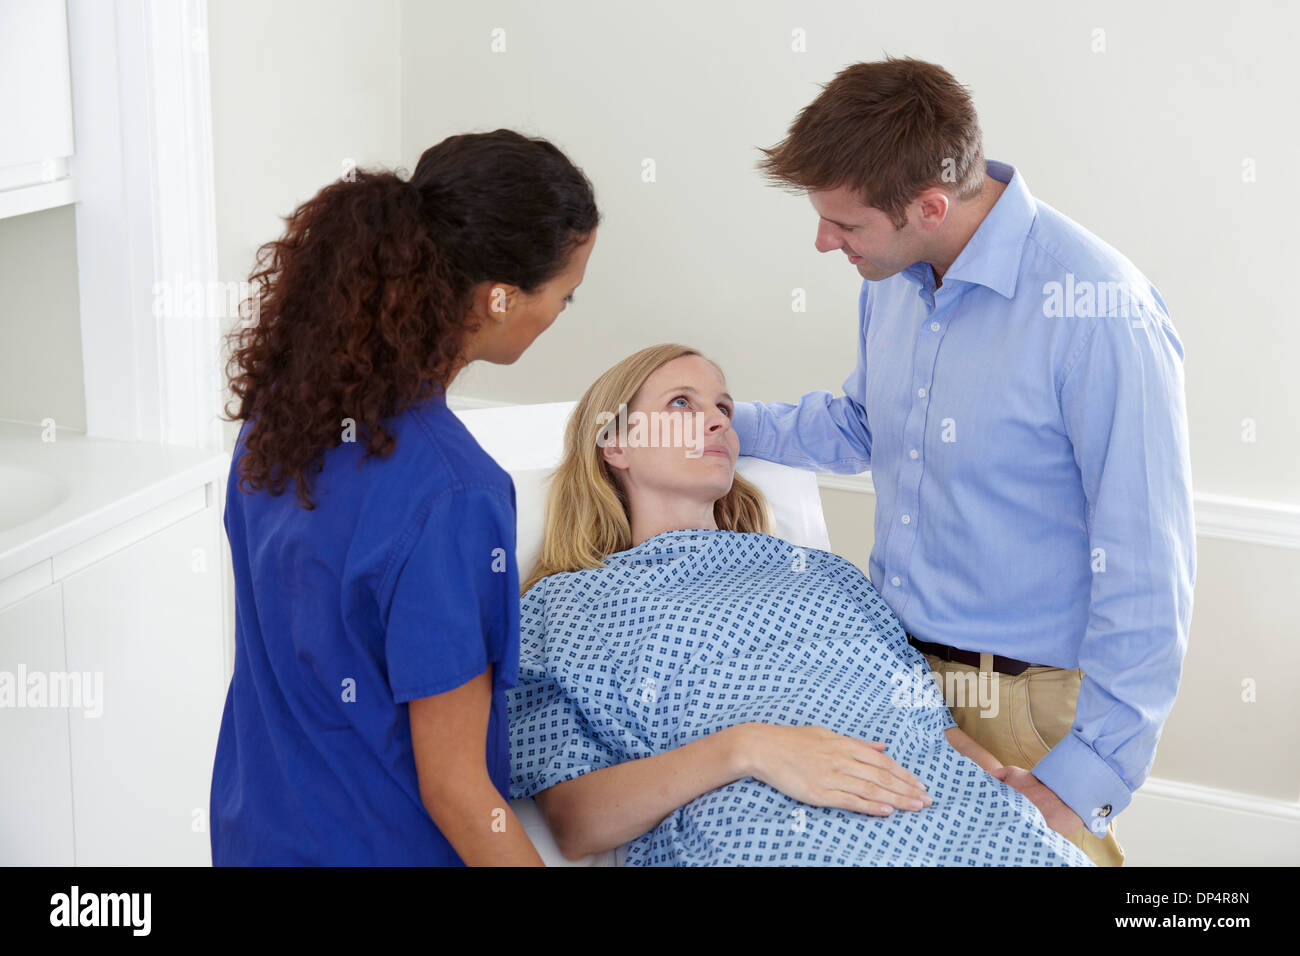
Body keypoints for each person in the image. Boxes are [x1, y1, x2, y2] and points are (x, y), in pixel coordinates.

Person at [731, 56, 1197, 866]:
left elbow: (1148, 560)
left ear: (930, 204)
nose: (822, 242)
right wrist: (711, 424)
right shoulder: (895, 277)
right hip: (898, 683)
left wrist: (1083, 778)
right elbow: (861, 427)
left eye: (844, 225)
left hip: (1027, 712)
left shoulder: (1097, 309)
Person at [507, 344, 1092, 866]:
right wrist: (748, 748)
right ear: (615, 444)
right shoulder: (566, 607)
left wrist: (1000, 779)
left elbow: (927, 721)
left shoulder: (827, 575)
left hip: (963, 819)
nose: (716, 419)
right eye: (682, 404)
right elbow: (576, 824)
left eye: (724, 409)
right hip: (772, 836)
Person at [210, 129, 598, 865]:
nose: (560, 312)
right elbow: (456, 790)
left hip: (254, 829)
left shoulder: (280, 417)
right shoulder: (454, 495)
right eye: (565, 293)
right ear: (499, 297)